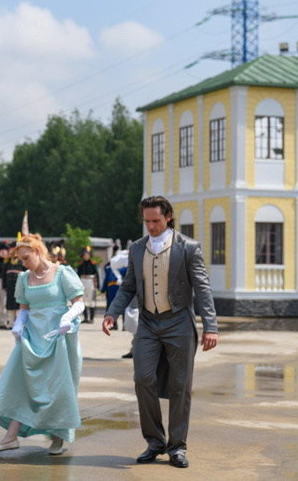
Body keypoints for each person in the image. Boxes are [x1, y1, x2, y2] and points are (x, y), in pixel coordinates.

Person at [102, 196, 218, 469]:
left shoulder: (188, 247)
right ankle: (155, 441)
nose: (150, 226)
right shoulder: (137, 249)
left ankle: (177, 446)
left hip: (179, 322)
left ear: (168, 217)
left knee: (180, 386)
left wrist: (210, 327)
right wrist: (111, 313)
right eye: (146, 221)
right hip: (148, 324)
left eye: (155, 220)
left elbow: (202, 289)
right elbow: (129, 286)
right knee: (143, 378)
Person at [0, 233, 85, 456]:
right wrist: (18, 324)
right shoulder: (24, 278)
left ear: (38, 252)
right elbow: (24, 308)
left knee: (59, 388)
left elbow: (79, 302)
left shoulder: (62, 272)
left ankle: (58, 439)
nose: (23, 263)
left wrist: (67, 318)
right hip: (32, 338)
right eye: (20, 259)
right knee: (20, 383)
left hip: (58, 337)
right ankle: (11, 437)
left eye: (25, 258)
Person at [100, 245, 124, 330]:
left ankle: (124, 325)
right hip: (111, 289)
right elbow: (106, 280)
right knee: (112, 306)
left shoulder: (124, 268)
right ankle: (114, 325)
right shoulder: (110, 268)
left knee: (123, 306)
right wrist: (103, 290)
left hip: (121, 288)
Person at [76, 247, 100, 323]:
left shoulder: (93, 263)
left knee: (91, 299)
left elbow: (97, 274)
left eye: (87, 254)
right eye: (85, 254)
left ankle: (92, 318)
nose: (86, 256)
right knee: (83, 300)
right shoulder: (80, 264)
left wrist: (98, 284)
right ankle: (86, 317)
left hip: (91, 281)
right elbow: (78, 275)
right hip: (82, 281)